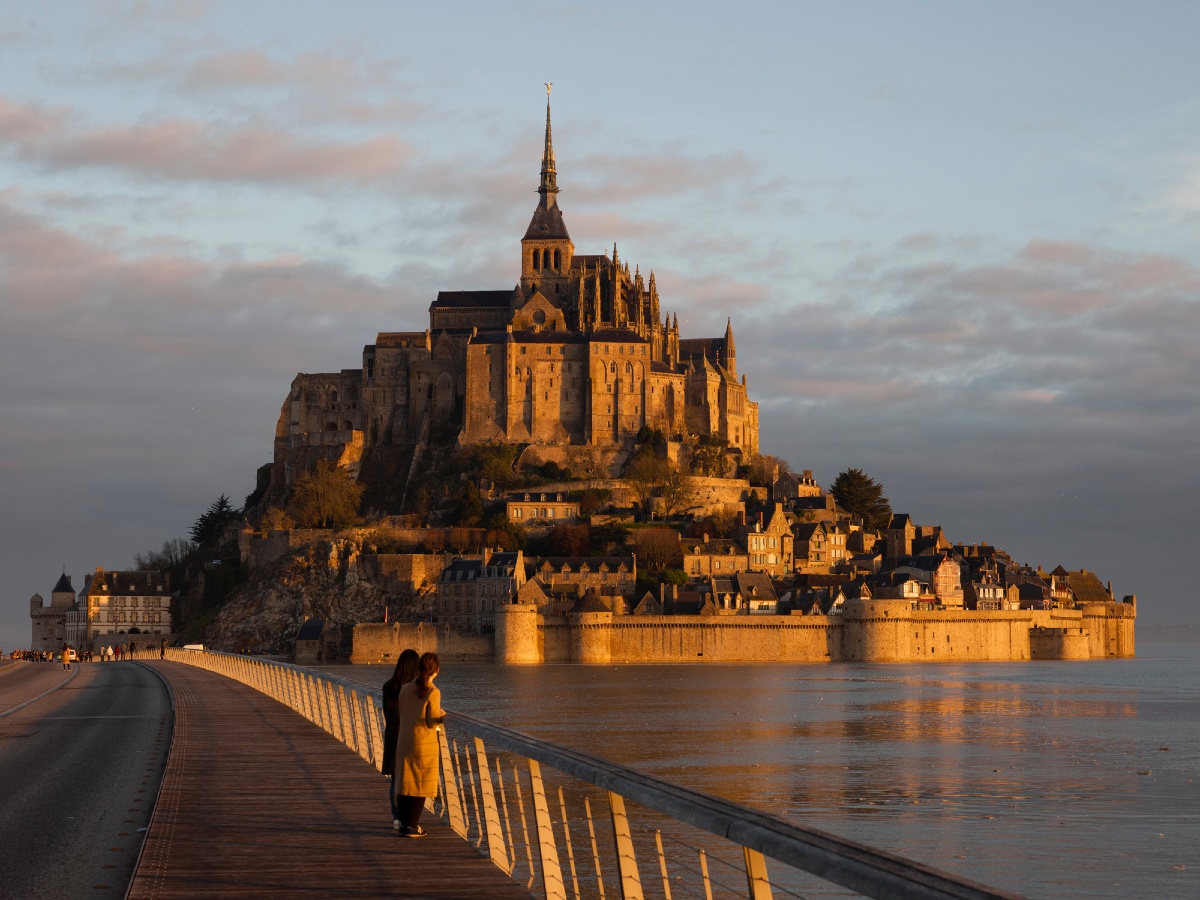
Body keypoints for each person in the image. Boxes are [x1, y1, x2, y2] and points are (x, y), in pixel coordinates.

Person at [394, 652, 445, 837]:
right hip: (423, 744)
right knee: (420, 786)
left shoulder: (405, 688)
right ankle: (412, 826)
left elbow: (404, 712)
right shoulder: (433, 691)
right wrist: (442, 716)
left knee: (406, 783)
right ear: (437, 670)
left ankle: (402, 824)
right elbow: (432, 722)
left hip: (404, 741)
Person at [382, 649, 420, 831]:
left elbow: (385, 713)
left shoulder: (388, 687)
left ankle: (396, 817)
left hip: (391, 735)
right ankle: (408, 817)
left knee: (395, 778)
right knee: (411, 777)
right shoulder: (414, 689)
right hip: (408, 735)